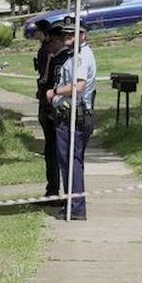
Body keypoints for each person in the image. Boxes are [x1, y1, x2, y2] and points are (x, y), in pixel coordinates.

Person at [47, 21, 96, 220]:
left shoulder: (81, 57)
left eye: (72, 34)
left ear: (83, 35)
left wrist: (55, 92)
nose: (68, 36)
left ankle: (76, 207)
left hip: (74, 116)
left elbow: (79, 86)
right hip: (69, 115)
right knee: (69, 162)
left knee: (71, 162)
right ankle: (72, 204)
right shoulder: (75, 55)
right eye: (66, 33)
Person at [36, 20, 73, 199]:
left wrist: (51, 110)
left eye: (50, 41)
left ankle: (55, 190)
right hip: (48, 109)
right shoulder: (54, 58)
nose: (47, 45)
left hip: (56, 112)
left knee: (55, 152)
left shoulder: (63, 60)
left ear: (58, 40)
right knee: (50, 151)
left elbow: (55, 85)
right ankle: (52, 188)